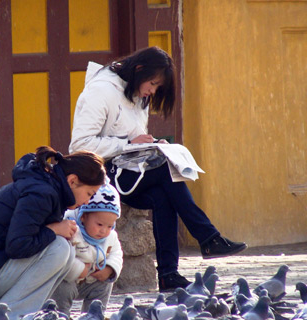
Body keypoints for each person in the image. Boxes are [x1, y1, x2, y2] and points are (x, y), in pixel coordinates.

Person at [69, 46, 248, 292]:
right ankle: (207, 237)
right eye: (152, 83)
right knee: (166, 170)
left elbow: (132, 138)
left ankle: (168, 274)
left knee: (165, 194)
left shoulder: (137, 93)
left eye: (156, 88)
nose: (152, 92)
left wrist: (150, 145)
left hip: (129, 171)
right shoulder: (100, 91)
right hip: (102, 174)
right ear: (139, 70)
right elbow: (79, 145)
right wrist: (129, 144)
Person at [0, 146, 106, 320]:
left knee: (65, 250)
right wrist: (54, 229)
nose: (87, 201)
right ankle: (7, 315)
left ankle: (17, 314)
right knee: (59, 248)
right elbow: (17, 246)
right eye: (89, 194)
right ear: (72, 181)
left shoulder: (47, 187)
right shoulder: (40, 193)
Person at [52, 183, 123, 316]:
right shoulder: (72, 230)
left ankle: (94, 315)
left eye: (110, 226)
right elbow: (61, 255)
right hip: (68, 279)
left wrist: (110, 268)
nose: (104, 230)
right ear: (83, 217)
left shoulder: (111, 236)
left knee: (104, 285)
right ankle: (60, 315)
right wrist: (79, 269)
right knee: (61, 290)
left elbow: (117, 253)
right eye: (100, 224)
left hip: (90, 281)